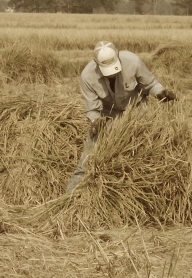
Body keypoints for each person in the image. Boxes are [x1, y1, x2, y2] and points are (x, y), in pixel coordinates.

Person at [65, 40, 177, 193]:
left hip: (137, 111)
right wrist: (96, 122)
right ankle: (71, 196)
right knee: (88, 160)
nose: (112, 75)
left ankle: (150, 190)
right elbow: (92, 109)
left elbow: (150, 84)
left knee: (145, 153)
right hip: (107, 116)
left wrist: (160, 93)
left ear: (118, 57)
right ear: (97, 64)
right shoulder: (87, 76)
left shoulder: (133, 61)